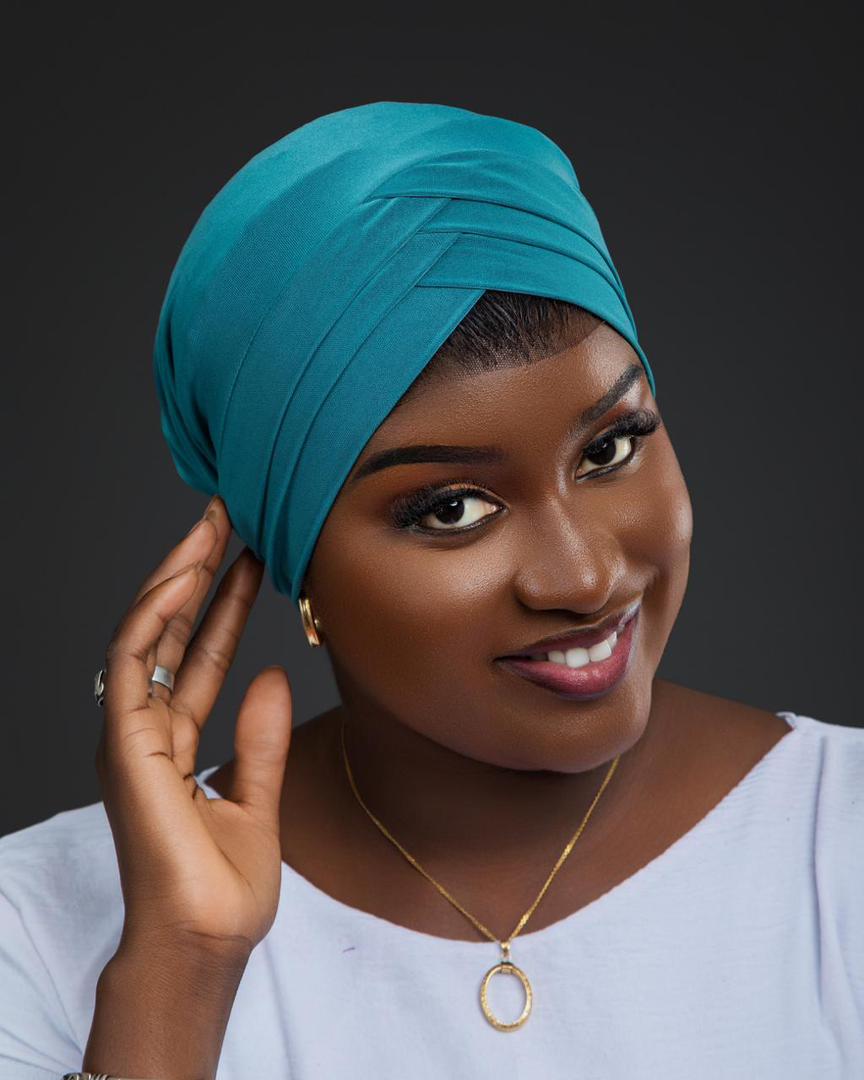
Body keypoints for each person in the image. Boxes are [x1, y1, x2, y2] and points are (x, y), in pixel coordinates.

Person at [1, 102, 861, 1080]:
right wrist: (177, 969)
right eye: (453, 509)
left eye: (611, 448)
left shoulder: (841, 842)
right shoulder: (38, 933)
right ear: (297, 563)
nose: (583, 578)